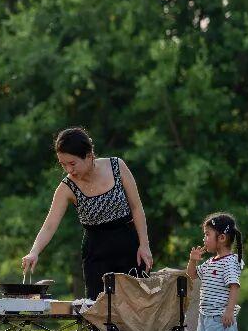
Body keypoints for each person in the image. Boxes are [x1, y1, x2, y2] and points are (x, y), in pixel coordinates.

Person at [21, 127, 153, 299]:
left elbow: (136, 207)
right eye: (63, 164)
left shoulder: (117, 166)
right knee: (98, 309)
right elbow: (50, 225)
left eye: (72, 163)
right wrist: (34, 251)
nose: (69, 169)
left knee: (136, 304)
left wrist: (144, 244)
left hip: (128, 244)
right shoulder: (67, 187)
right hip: (96, 250)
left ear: (89, 155)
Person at [186, 213, 244, 331]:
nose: (204, 239)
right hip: (205, 315)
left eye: (207, 234)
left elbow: (234, 287)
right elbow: (191, 275)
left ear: (222, 238)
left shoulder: (229, 262)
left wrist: (229, 311)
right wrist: (192, 260)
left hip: (219, 317)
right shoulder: (210, 262)